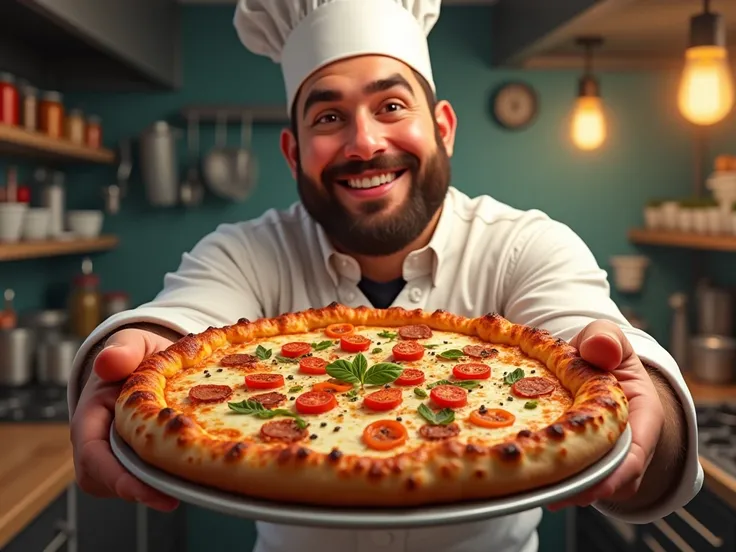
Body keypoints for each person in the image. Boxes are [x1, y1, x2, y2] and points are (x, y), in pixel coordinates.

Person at [68, 0, 703, 550]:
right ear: (293, 153)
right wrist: (132, 354)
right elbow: (183, 320)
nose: (364, 142)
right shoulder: (246, 251)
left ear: (444, 129)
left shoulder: (524, 246)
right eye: (327, 117)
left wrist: (651, 405)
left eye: (392, 105)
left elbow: (602, 353)